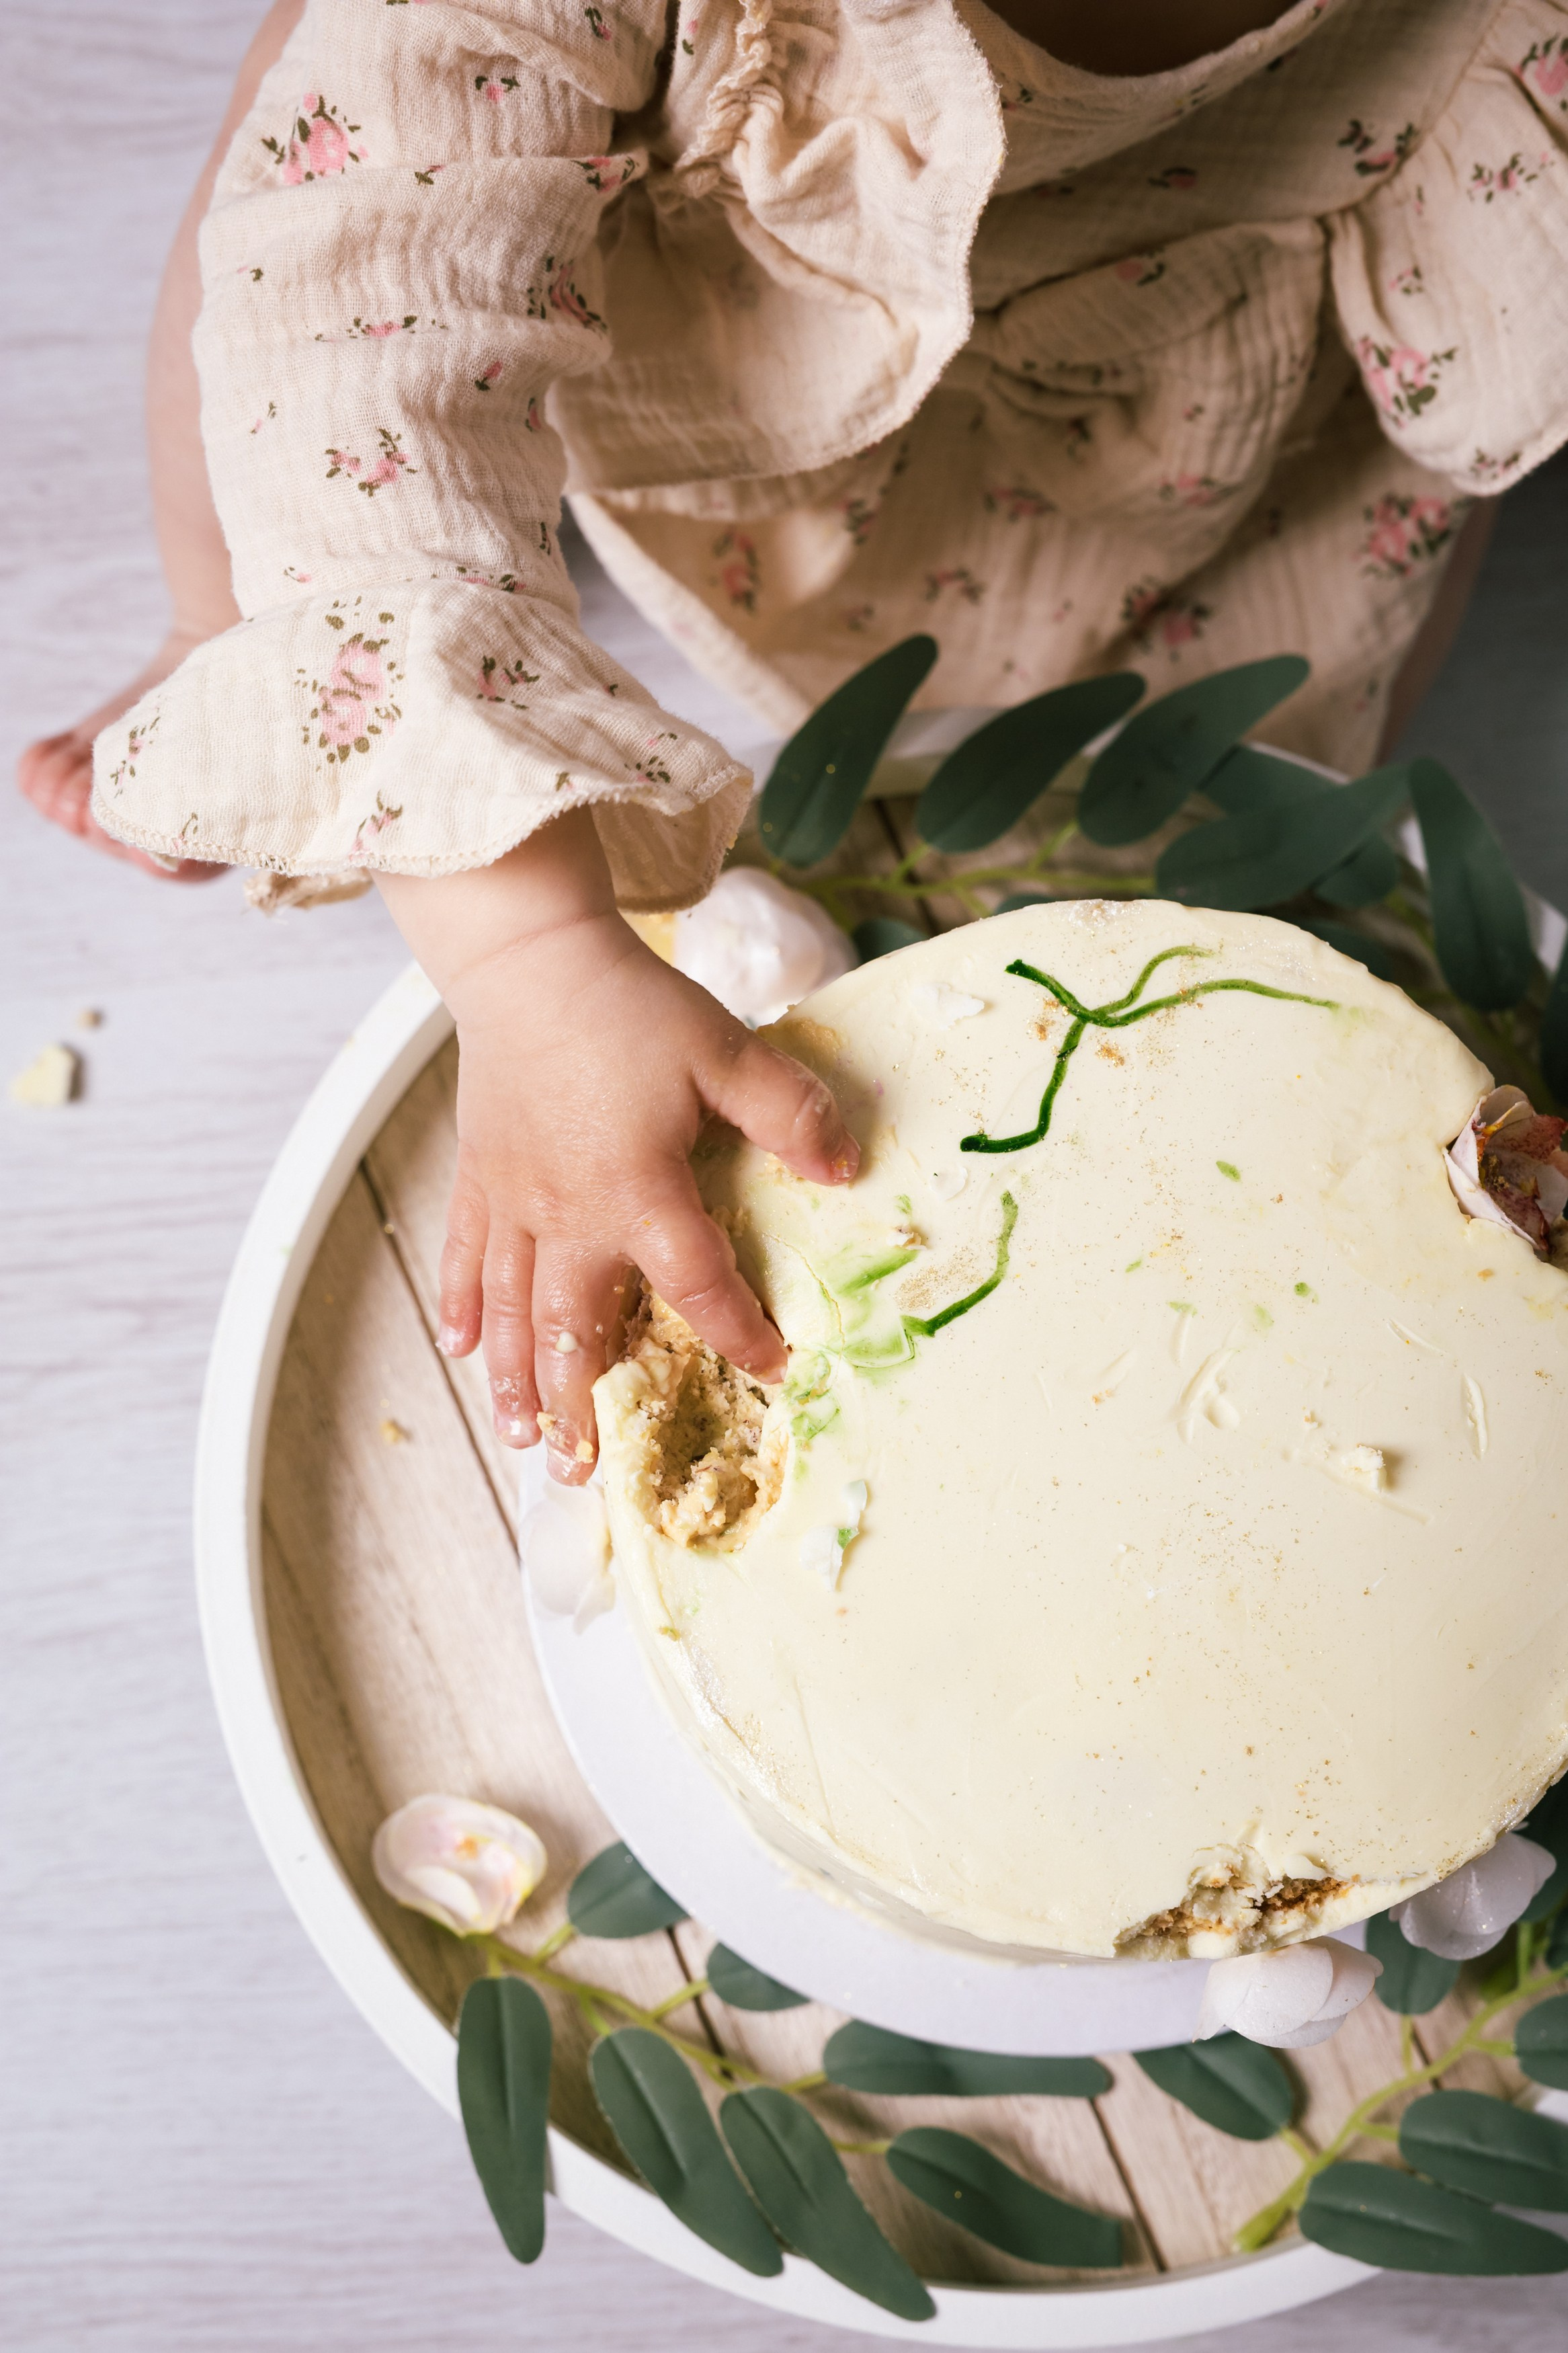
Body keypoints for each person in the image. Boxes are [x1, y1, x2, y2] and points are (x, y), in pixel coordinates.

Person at [17, 0, 1565, 1480]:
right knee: (326, 225)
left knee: (1284, 733)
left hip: (1204, 401)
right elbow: (354, 308)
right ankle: (221, 642)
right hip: (703, 312)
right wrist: (528, 962)